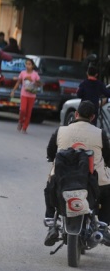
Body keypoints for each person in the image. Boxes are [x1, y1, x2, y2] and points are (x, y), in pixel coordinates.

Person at [43, 100, 110, 246]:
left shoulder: (61, 130)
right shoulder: (100, 133)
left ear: (76, 114)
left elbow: (50, 152)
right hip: (93, 182)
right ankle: (103, 227)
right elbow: (108, 156)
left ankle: (50, 222)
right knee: (107, 194)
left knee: (49, 187)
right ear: (92, 117)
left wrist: (52, 158)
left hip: (62, 180)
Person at [10, 58, 41, 133]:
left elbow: (39, 84)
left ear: (32, 65)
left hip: (32, 95)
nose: (27, 66)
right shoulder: (22, 73)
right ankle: (20, 121)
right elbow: (18, 82)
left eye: (29, 64)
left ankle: (24, 127)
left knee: (28, 112)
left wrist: (34, 82)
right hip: (24, 94)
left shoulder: (35, 74)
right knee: (23, 110)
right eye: (26, 64)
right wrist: (13, 91)